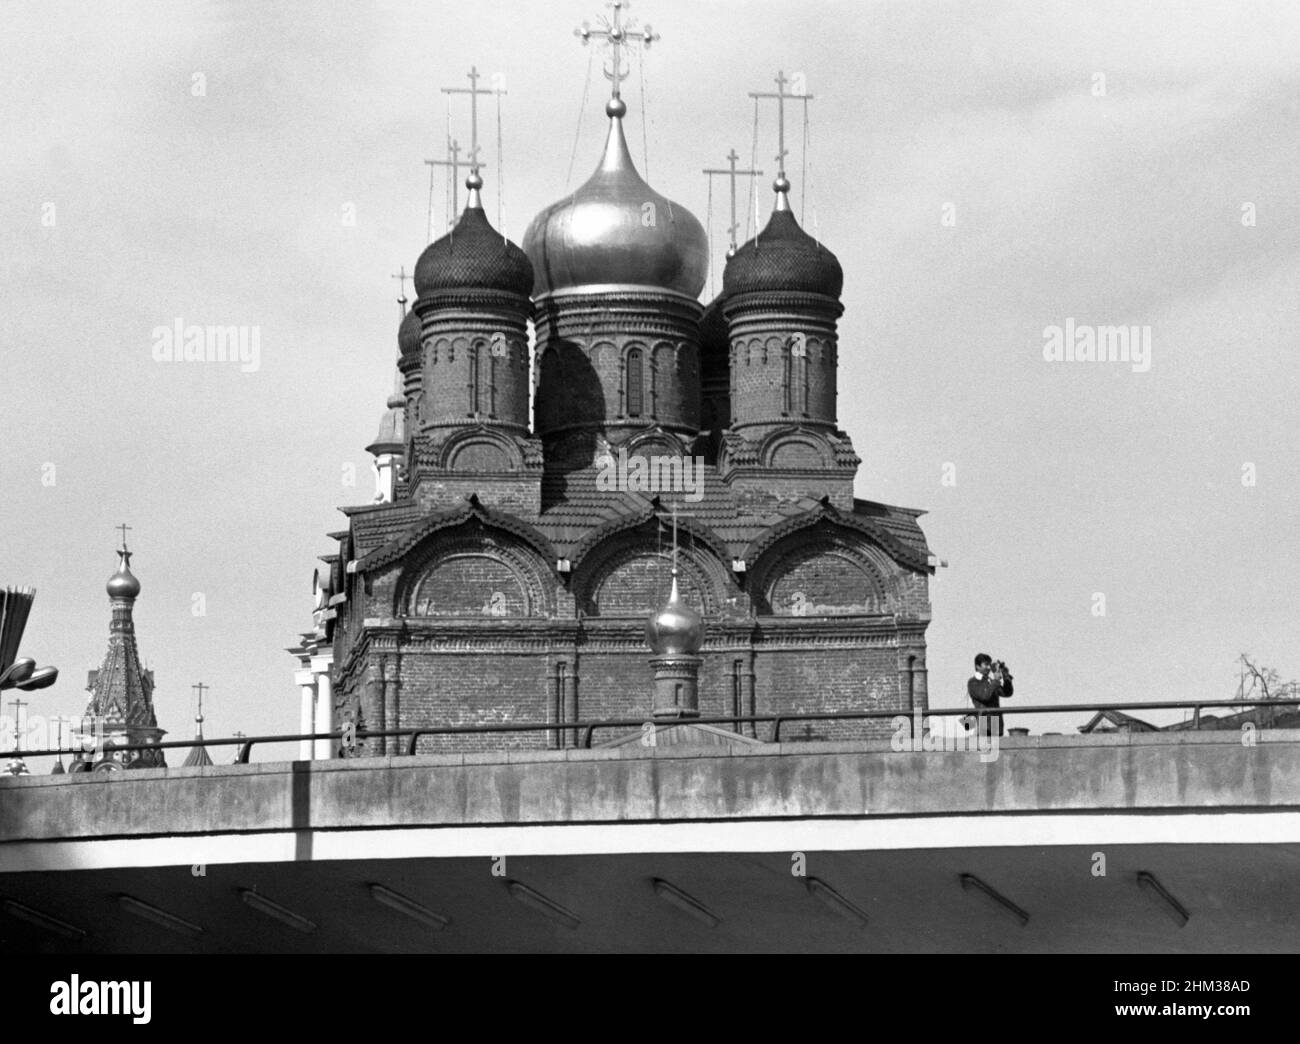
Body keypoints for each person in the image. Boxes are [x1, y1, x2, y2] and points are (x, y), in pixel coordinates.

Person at [966, 653, 1013, 738]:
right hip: (983, 725)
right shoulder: (973, 682)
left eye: (989, 664)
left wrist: (1006, 676)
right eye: (986, 664)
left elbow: (1007, 693)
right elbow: (985, 696)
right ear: (978, 666)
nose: (988, 668)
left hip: (996, 724)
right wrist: (995, 680)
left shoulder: (990, 681)